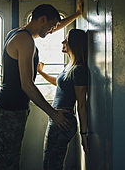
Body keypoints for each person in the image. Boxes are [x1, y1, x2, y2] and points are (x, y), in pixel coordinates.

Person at [0, 0, 84, 170]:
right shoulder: (25, 41)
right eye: (51, 26)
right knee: (7, 160)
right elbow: (26, 85)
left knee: (8, 156)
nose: (52, 31)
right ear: (42, 20)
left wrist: (77, 14)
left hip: (11, 107)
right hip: (11, 108)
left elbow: (49, 29)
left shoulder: (18, 33)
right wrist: (53, 113)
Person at [37, 28, 89, 170]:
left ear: (75, 44)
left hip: (63, 121)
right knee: (49, 162)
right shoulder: (70, 67)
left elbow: (82, 104)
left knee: (53, 164)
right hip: (57, 119)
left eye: (67, 39)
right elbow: (60, 83)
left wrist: (83, 134)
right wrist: (41, 73)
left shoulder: (79, 70)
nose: (63, 41)